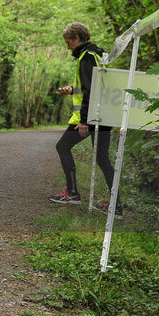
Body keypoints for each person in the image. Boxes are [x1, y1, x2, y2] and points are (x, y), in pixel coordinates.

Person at [51, 22, 120, 218]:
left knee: (62, 147)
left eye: (68, 42)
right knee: (102, 158)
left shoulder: (86, 58)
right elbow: (94, 86)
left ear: (77, 38)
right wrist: (72, 90)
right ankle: (117, 206)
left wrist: (84, 120)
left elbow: (92, 90)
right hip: (103, 115)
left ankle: (72, 194)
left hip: (91, 117)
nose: (68, 47)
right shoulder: (97, 55)